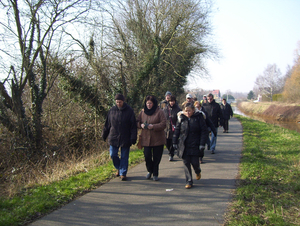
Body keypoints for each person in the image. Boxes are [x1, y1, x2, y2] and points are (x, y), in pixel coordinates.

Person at [102, 94, 137, 181]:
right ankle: (119, 167)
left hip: (126, 136)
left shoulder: (129, 111)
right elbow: (107, 124)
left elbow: (133, 126)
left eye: (120, 102)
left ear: (123, 101)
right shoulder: (112, 110)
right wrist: (104, 134)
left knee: (124, 156)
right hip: (113, 136)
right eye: (117, 102)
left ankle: (123, 173)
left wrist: (133, 137)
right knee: (113, 154)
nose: (118, 103)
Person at [173, 103, 208, 189]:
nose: (188, 113)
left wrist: (202, 144)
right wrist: (174, 141)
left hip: (195, 144)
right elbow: (177, 130)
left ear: (193, 110)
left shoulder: (199, 117)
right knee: (186, 163)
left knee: (195, 162)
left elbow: (204, 131)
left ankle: (197, 171)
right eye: (186, 111)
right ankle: (189, 181)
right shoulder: (181, 118)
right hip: (184, 144)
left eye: (189, 111)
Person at [137, 95, 167, 181]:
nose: (149, 105)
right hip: (146, 139)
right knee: (147, 156)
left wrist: (153, 126)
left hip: (158, 139)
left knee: (157, 157)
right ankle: (150, 170)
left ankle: (155, 173)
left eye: (150, 103)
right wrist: (141, 125)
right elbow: (137, 122)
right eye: (147, 103)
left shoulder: (160, 112)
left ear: (154, 104)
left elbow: (164, 124)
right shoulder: (142, 112)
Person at [163, 95, 181, 161]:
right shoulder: (165, 109)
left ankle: (171, 154)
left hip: (175, 128)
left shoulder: (178, 109)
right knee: (167, 142)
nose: (171, 102)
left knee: (173, 142)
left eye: (173, 101)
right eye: (170, 101)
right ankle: (171, 150)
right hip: (167, 129)